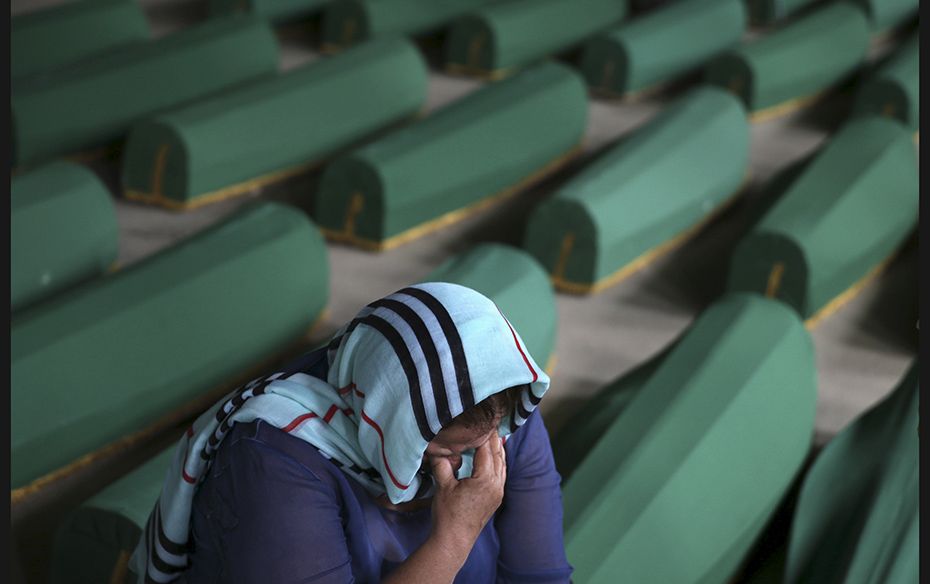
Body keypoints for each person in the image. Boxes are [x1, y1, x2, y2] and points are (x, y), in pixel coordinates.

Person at [131, 283, 573, 583]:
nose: (458, 464)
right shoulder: (273, 458)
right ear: (385, 411)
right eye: (437, 448)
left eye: (474, 446)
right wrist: (454, 536)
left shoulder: (501, 415)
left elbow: (540, 575)